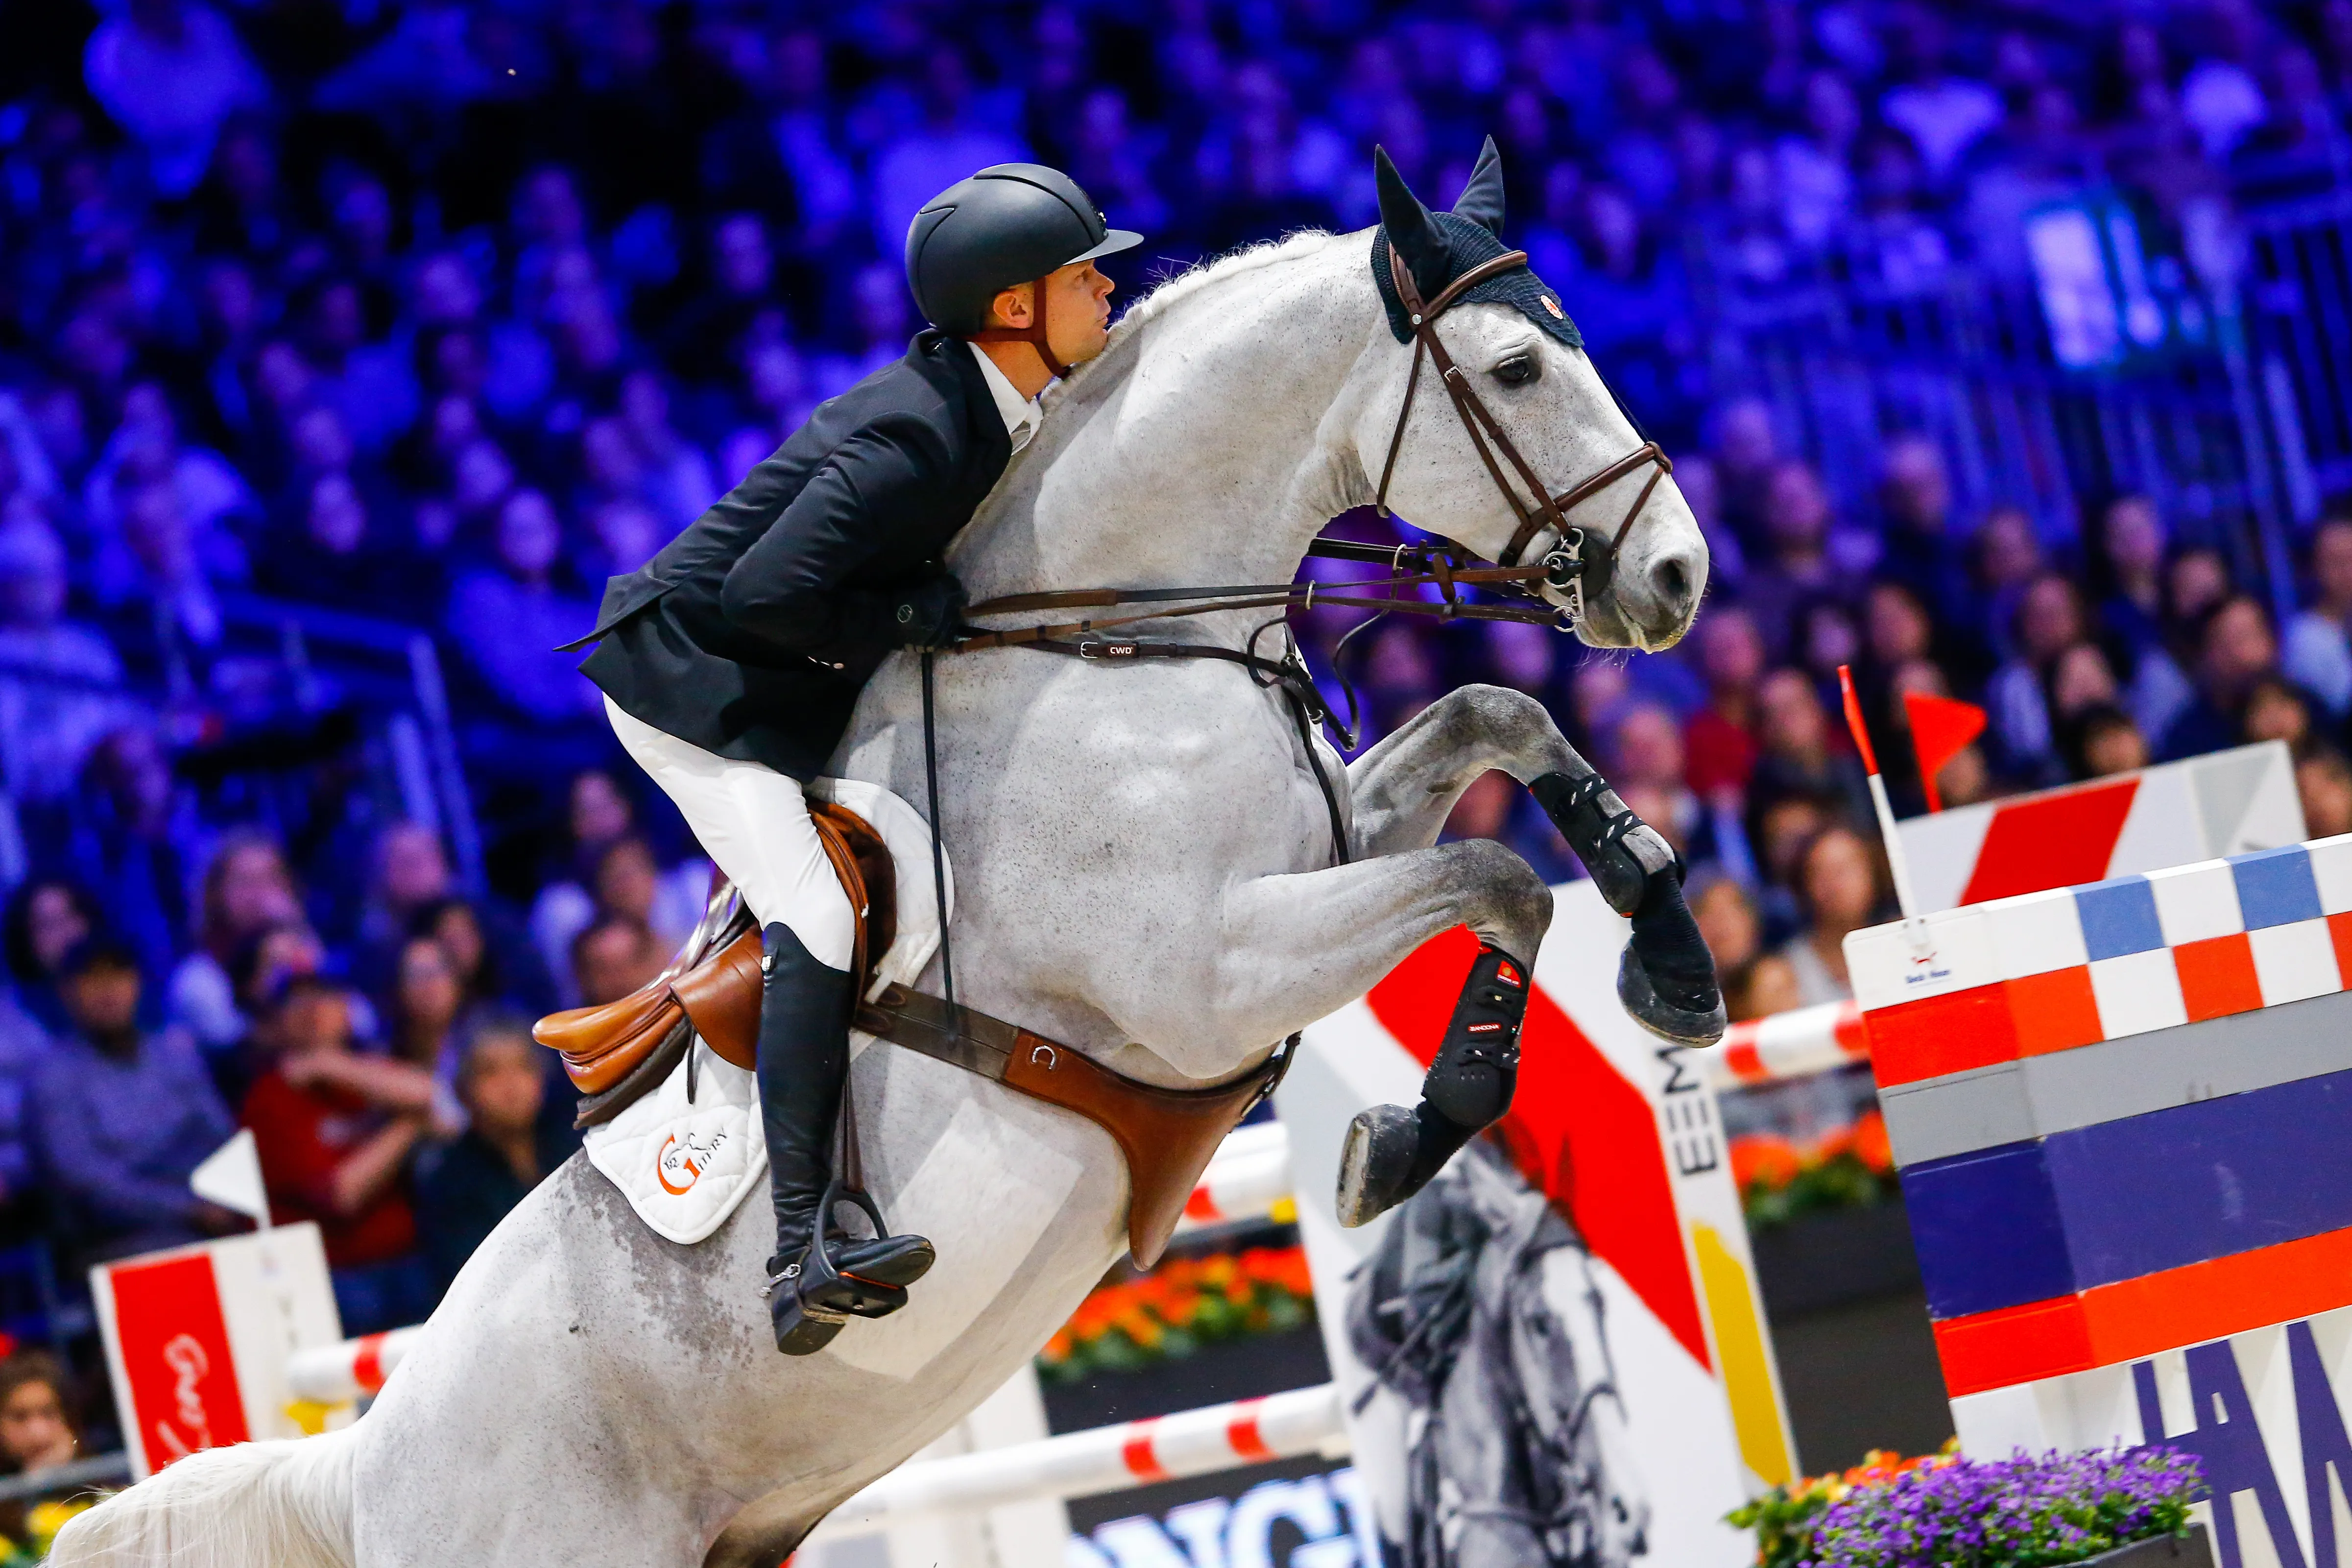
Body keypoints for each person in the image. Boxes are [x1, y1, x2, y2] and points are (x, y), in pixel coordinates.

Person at [561, 162, 1139, 1354]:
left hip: (785, 672)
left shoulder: (1006, 403)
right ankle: (799, 1244)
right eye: (1086, 271)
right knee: (818, 918)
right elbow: (766, 594)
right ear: (1016, 308)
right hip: (699, 689)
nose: (1107, 286)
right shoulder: (920, 435)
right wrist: (903, 619)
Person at [242, 975, 446, 1334]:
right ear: (277, 1022)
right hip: (336, 1273)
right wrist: (409, 1126)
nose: (314, 1011)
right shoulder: (269, 1099)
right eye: (298, 1003)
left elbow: (431, 1095)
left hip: (407, 1256)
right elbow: (342, 1195)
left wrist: (328, 1064)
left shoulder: (364, 1073)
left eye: (326, 999)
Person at [30, 938, 240, 1269]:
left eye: (118, 975)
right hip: (120, 1241)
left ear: (137, 983)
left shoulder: (175, 1054)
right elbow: (86, 1183)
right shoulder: (52, 1076)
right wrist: (188, 1208)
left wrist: (224, 1199)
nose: (108, 990)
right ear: (66, 992)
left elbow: (221, 1136)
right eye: (92, 979)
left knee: (280, 1242)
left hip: (212, 1218)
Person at [414, 1014, 578, 1296]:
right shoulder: (448, 1178)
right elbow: (474, 1283)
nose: (511, 1085)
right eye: (490, 1072)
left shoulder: (577, 1143)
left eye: (524, 1067)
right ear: (463, 1088)